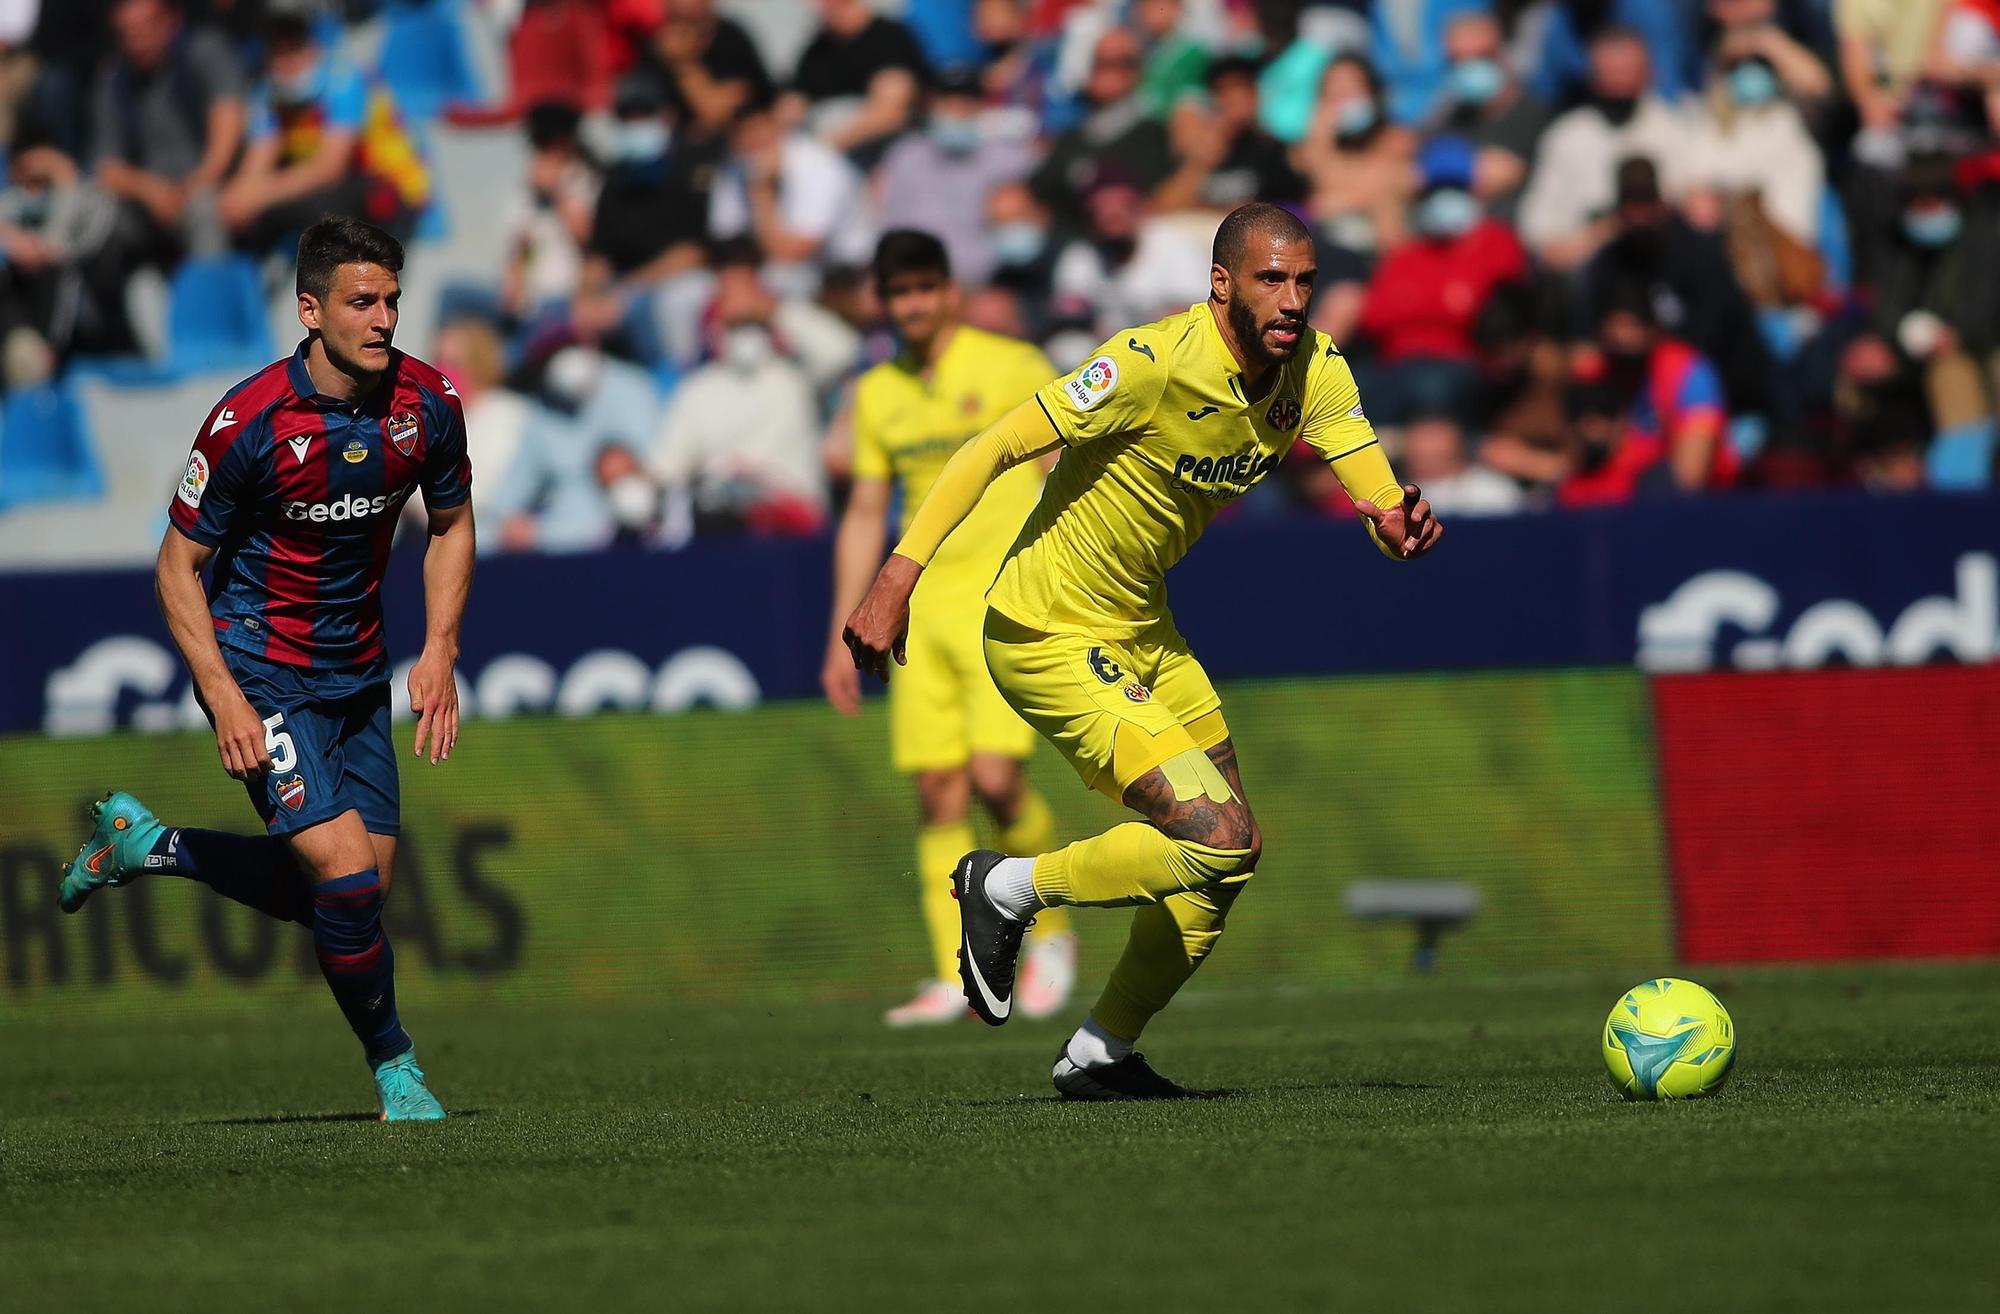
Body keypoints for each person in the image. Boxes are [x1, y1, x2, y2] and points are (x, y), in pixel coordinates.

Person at [842, 204, 1443, 1098]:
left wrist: (1398, 524)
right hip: (1045, 630)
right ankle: (1006, 887)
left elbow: (1374, 493)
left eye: (1305, 281)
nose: (1292, 300)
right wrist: (897, 577)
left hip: (1144, 632)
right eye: (1272, 279)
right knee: (1216, 839)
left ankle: (1100, 1053)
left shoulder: (1315, 373)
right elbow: (994, 447)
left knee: (1226, 864)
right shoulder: (1151, 362)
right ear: (1222, 283)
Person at [58, 217, 472, 1121]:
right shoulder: (247, 423)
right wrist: (224, 697)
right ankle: (396, 1066)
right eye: (363, 301)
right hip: (265, 672)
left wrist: (440, 646)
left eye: (393, 300)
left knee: (338, 895)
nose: (384, 318)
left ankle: (149, 846)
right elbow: (177, 568)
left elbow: (449, 523)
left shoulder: (427, 404)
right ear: (310, 309)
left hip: (358, 674)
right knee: (349, 880)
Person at [823, 230, 1078, 1027]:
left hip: (1004, 607)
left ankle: (1053, 934)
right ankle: (954, 976)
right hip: (919, 619)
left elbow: (1061, 476)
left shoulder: (1012, 367)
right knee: (938, 793)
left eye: (925, 288)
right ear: (883, 301)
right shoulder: (877, 394)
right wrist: (845, 621)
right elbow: (868, 509)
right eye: (899, 293)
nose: (914, 305)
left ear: (951, 291)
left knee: (998, 782)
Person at [219, 13, 432, 247]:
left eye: (295, 48)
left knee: (314, 208)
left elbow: (331, 167)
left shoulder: (346, 80)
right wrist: (237, 200)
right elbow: (257, 162)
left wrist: (261, 195)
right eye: (278, 52)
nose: (287, 61)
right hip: (332, 187)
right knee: (234, 211)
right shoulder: (267, 94)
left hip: (390, 188)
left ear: (314, 48)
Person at [89, 0, 246, 265]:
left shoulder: (204, 52)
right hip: (148, 200)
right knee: (96, 214)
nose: (137, 41)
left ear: (171, 21)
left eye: (145, 28)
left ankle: (207, 298)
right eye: (127, 33)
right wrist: (150, 190)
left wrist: (192, 187)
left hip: (208, 186)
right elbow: (106, 167)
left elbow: (229, 126)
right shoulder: (114, 80)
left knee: (203, 210)